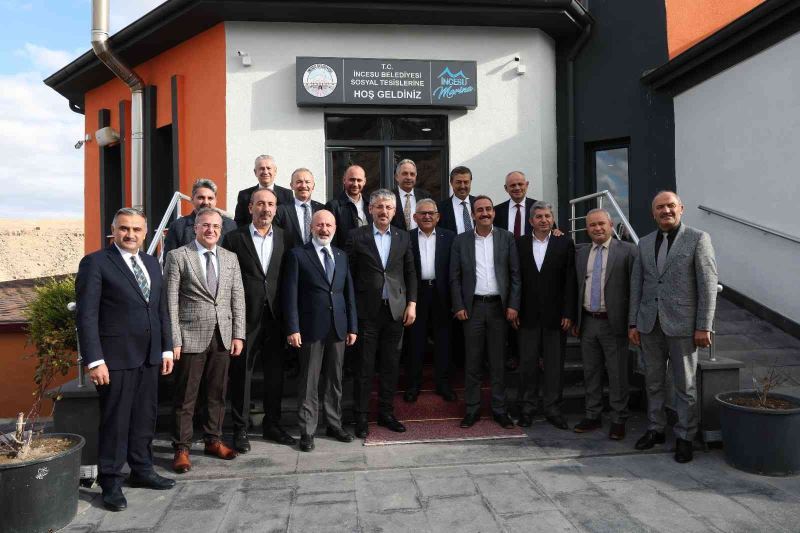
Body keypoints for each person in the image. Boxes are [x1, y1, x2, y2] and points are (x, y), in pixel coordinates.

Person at [76, 207, 176, 512]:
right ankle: (110, 480)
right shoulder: (96, 263)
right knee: (116, 421)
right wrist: (95, 360)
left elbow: (160, 309)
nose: (130, 234)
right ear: (113, 230)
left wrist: (166, 348)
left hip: (149, 356)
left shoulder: (151, 263)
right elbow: (86, 315)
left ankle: (142, 470)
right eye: (124, 228)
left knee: (145, 416)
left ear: (145, 233)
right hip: (115, 359)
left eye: (136, 229)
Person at [629, 191, 718, 463]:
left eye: (670, 206)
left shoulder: (698, 239)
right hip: (649, 324)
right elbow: (637, 284)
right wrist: (633, 322)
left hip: (684, 326)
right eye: (660, 207)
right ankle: (656, 429)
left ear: (681, 208)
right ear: (653, 213)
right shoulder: (644, 243)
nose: (665, 211)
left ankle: (685, 436)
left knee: (685, 385)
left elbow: (708, 285)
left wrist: (704, 326)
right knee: (653, 381)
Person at [164, 207, 245, 472]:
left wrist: (238, 334)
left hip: (222, 335)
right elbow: (170, 301)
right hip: (190, 336)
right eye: (206, 225)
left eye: (216, 226)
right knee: (186, 397)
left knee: (217, 393)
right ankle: (182, 448)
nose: (211, 230)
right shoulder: (178, 256)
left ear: (221, 230)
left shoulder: (230, 258)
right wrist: (174, 339)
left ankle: (213, 440)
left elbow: (237, 298)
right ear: (195, 228)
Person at [221, 188, 295, 452]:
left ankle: (273, 424)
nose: (266, 209)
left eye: (271, 204)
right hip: (245, 318)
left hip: (276, 317)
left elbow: (290, 278)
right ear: (250, 207)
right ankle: (240, 429)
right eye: (260, 204)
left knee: (275, 374)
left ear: (276, 208)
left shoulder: (287, 237)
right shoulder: (234, 238)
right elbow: (226, 280)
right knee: (242, 374)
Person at [283, 210, 358, 452]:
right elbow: (290, 294)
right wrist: (293, 327)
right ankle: (307, 430)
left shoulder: (341, 255)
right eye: (319, 225)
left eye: (328, 225)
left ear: (335, 228)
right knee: (309, 381)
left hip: (338, 327)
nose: (324, 229)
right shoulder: (297, 255)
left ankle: (334, 424)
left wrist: (353, 326)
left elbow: (348, 293)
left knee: (335, 380)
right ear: (311, 228)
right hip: (310, 328)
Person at [346, 189, 417, 438]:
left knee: (391, 365)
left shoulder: (403, 237)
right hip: (367, 313)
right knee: (364, 367)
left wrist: (412, 303)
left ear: (394, 211)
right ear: (370, 210)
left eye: (388, 207)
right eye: (379, 207)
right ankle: (361, 417)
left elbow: (410, 272)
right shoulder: (356, 236)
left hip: (395, 312)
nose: (383, 211)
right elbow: (349, 276)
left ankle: (386, 413)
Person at [450, 196, 520, 429]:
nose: (485, 213)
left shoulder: (506, 238)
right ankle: (472, 409)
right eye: (480, 210)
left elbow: (515, 274)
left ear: (494, 213)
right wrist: (459, 305)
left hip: (499, 308)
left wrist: (513, 305)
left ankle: (500, 410)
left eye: (488, 209)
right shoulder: (461, 241)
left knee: (498, 362)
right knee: (473, 361)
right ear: (473, 215)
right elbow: (454, 277)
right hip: (473, 309)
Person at [572, 208, 637, 440]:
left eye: (601, 224)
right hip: (588, 321)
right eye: (592, 225)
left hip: (614, 323)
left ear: (610, 225)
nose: (597, 228)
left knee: (617, 373)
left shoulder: (628, 251)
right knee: (591, 372)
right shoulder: (581, 253)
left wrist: (633, 323)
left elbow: (636, 289)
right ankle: (593, 415)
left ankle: (619, 418)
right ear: (587, 228)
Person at [515, 201, 577, 430]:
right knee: (528, 364)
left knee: (554, 365)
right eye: (539, 216)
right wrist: (514, 308)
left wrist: (569, 312)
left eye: (547, 216)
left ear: (553, 219)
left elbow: (570, 280)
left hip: (556, 315)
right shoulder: (520, 243)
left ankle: (553, 409)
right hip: (527, 314)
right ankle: (527, 408)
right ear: (531, 221)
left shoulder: (564, 243)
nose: (544, 220)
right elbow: (515, 278)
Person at [404, 199, 456, 402]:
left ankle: (443, 384)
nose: (427, 216)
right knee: (415, 341)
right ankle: (413, 385)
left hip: (442, 294)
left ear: (438, 216)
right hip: (417, 295)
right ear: (415, 217)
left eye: (431, 213)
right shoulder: (406, 237)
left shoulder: (449, 237)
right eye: (422, 213)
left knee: (444, 340)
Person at [163, 178, 236, 255]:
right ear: (192, 199)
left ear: (215, 201)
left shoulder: (230, 226)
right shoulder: (177, 227)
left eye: (210, 198)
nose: (206, 202)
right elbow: (169, 259)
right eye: (201, 198)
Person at [234, 155, 293, 226]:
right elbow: (239, 223)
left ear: (275, 171)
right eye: (262, 168)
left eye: (268, 168)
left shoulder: (287, 195)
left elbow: (289, 222)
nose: (265, 172)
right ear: (255, 172)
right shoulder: (244, 195)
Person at [274, 168, 325, 248]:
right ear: (292, 185)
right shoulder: (281, 210)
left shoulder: (322, 209)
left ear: (313, 186)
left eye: (307, 182)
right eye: (299, 182)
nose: (303, 185)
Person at [325, 164, 372, 249]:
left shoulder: (371, 204)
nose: (355, 184)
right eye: (352, 180)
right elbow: (331, 239)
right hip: (345, 255)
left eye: (359, 180)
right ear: (344, 180)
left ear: (364, 182)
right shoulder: (333, 206)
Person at [391, 159, 431, 231]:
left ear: (415, 177)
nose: (409, 177)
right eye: (405, 173)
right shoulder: (389, 197)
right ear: (396, 176)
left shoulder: (425, 196)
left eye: (412, 174)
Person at [437, 166, 476, 234]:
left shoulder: (479, 204)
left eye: (466, 182)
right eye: (458, 182)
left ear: (470, 182)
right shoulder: (440, 208)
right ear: (451, 183)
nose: (462, 186)